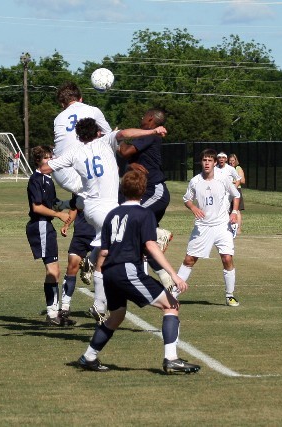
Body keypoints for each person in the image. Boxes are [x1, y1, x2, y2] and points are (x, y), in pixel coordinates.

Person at [39, 118, 168, 324]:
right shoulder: (106, 141)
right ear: (98, 132)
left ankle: (93, 265)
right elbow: (125, 133)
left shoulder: (74, 152)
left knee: (106, 249)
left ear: (79, 136)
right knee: (111, 251)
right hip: (107, 209)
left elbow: (46, 169)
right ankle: (99, 304)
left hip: (90, 209)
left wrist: (49, 165)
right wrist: (152, 131)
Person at [77, 170, 200, 374]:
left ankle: (89, 357)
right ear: (143, 190)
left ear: (123, 190)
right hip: (127, 270)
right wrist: (173, 274)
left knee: (117, 316)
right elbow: (151, 246)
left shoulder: (112, 215)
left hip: (109, 272)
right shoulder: (144, 214)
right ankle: (171, 359)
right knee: (171, 305)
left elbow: (104, 251)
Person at [176, 149, 241, 306]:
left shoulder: (223, 178)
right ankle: (172, 294)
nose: (207, 163)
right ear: (201, 162)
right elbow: (187, 199)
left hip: (222, 225)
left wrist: (234, 212)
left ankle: (230, 295)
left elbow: (236, 195)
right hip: (203, 226)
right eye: (204, 160)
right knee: (189, 259)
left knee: (227, 258)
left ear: (214, 163)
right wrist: (193, 208)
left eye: (210, 160)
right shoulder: (195, 181)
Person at [118, 108, 174, 285]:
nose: (141, 118)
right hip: (143, 191)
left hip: (154, 191)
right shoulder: (147, 136)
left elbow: (125, 152)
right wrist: (130, 165)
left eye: (144, 116)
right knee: (143, 241)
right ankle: (168, 281)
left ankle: (159, 234)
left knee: (130, 217)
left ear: (150, 119)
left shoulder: (149, 134)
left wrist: (116, 139)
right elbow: (131, 160)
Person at [25, 146, 73, 326]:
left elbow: (53, 203)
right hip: (40, 225)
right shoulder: (36, 179)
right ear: (38, 161)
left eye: (51, 157)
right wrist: (59, 214)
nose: (50, 161)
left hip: (47, 226)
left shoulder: (48, 179)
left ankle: (54, 313)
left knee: (55, 271)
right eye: (46, 158)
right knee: (52, 271)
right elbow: (37, 207)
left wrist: (71, 204)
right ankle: (52, 315)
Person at [52, 82, 112, 201]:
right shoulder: (93, 110)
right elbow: (108, 136)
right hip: (84, 170)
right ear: (81, 99)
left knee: (87, 200)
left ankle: (67, 204)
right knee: (106, 198)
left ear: (62, 104)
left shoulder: (58, 118)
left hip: (60, 173)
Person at [59, 196, 97, 321]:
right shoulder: (77, 188)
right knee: (72, 266)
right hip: (80, 235)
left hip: (98, 234)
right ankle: (65, 307)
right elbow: (74, 207)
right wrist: (67, 224)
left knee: (103, 269)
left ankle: (99, 306)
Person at [228, 153, 245, 233]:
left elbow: (243, 180)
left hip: (237, 190)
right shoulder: (226, 169)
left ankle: (238, 229)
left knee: (237, 210)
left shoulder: (238, 168)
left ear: (235, 161)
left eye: (233, 160)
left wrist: (233, 181)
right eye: (230, 161)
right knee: (228, 210)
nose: (231, 162)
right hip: (228, 191)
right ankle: (230, 229)